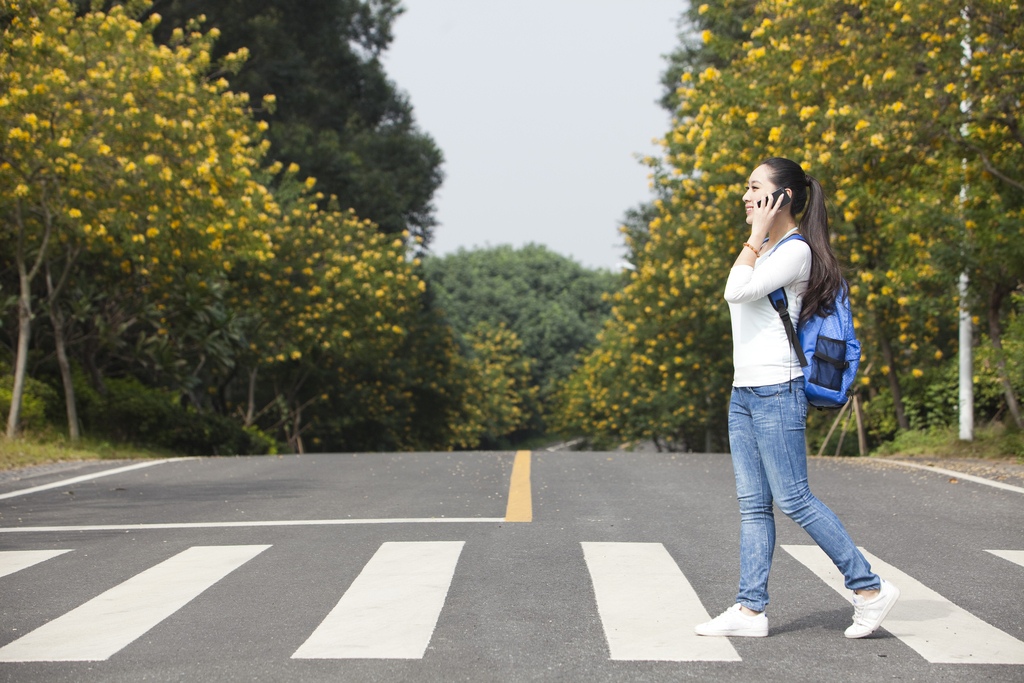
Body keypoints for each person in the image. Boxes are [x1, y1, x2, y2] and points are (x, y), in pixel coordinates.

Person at [694, 157, 899, 639]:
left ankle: (869, 588)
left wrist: (754, 238)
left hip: (777, 389)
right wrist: (756, 239)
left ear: (782, 198)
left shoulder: (795, 252)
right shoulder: (765, 249)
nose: (745, 197)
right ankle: (750, 611)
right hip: (744, 391)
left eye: (755, 189)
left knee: (794, 499)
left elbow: (734, 291)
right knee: (752, 504)